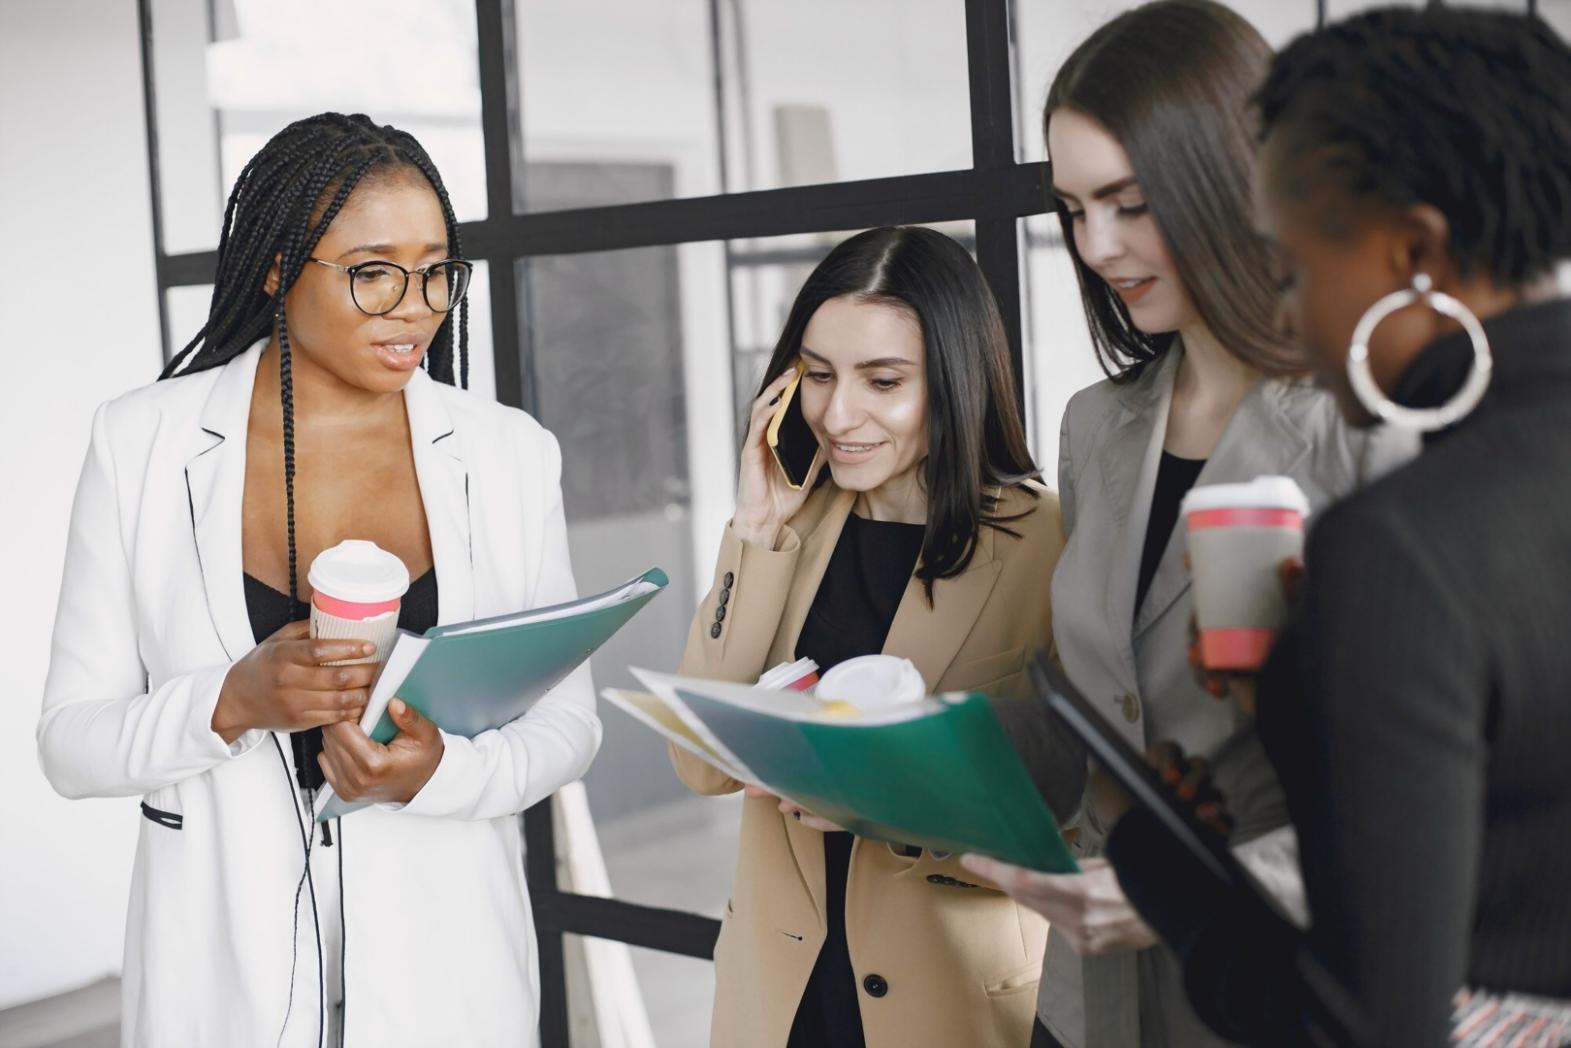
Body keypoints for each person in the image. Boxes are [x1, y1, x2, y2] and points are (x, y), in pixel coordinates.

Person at [37, 113, 601, 1047]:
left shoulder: (507, 454)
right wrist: (228, 703)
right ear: (277, 267)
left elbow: (567, 726)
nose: (416, 308)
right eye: (374, 272)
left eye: (437, 272)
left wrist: (441, 774)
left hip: (448, 963)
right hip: (222, 972)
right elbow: (70, 744)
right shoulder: (142, 445)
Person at [1095, 8, 1571, 1046]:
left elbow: (1352, 1024)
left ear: (1414, 253)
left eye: (1291, 269)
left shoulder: (1401, 547)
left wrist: (1153, 855)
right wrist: (1297, 701)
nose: (1286, 316)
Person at [960, 4, 1412, 1046]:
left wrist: (1200, 887)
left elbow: (1451, 791)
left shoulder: (1373, 425)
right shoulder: (1095, 425)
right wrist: (882, 750)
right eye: (1072, 209)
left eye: (1129, 203)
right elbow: (1103, 717)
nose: (1096, 246)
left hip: (1271, 997)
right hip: (1089, 1009)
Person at [667, 226, 1084, 1048]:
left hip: (950, 998)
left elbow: (1079, 813)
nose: (836, 414)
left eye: (882, 381)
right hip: (780, 997)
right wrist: (755, 529)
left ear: (956, 381)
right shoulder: (789, 524)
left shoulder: (1049, 539)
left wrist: (891, 803)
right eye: (818, 375)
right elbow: (699, 766)